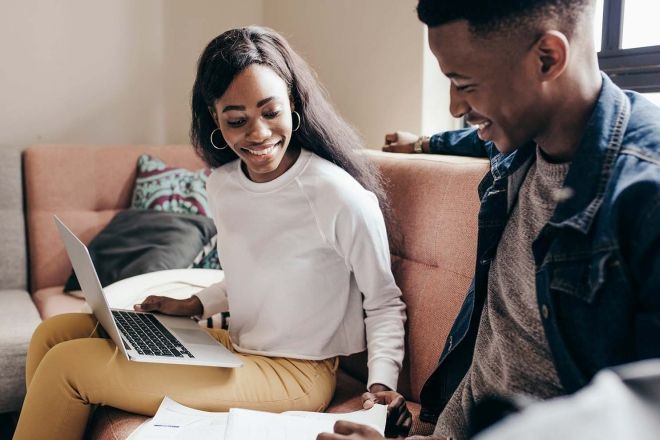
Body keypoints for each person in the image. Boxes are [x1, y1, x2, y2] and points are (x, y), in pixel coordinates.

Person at [14, 26, 408, 439]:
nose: (258, 134)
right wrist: (193, 305)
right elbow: (250, 272)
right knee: (54, 334)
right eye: (237, 120)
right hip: (238, 351)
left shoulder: (339, 195)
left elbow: (383, 302)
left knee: (68, 367)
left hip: (298, 374)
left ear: (293, 103)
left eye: (270, 112)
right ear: (215, 118)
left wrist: (380, 386)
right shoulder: (223, 184)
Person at [319, 0, 660, 439]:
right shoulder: (521, 145)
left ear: (547, 58)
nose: (455, 103)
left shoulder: (643, 196)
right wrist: (421, 144)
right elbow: (472, 138)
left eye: (464, 84)